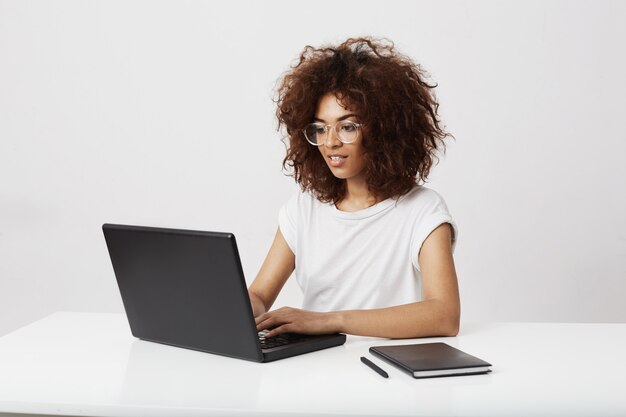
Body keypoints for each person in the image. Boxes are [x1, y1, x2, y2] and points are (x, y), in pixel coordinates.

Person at [249, 37, 460, 339]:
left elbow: (444, 315)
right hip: (312, 371)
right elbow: (259, 296)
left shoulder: (423, 211)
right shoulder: (303, 208)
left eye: (347, 126)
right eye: (320, 128)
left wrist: (330, 321)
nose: (331, 141)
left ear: (385, 129)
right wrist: (233, 307)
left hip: (387, 371)